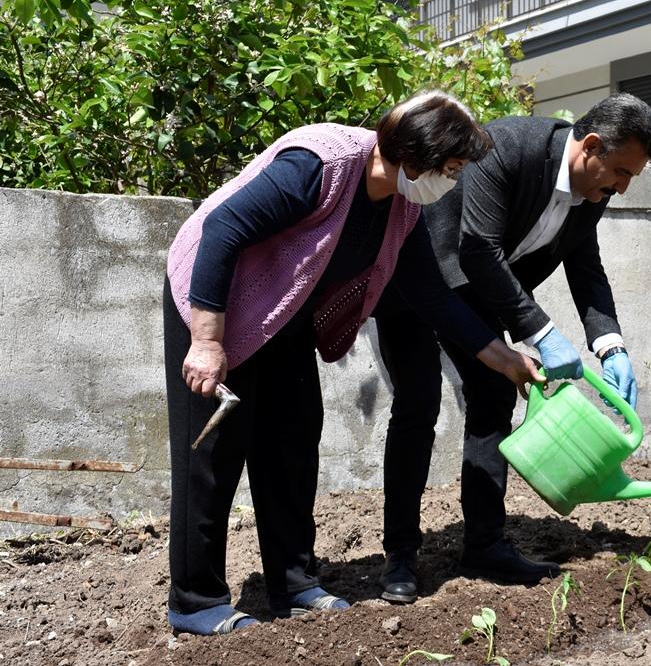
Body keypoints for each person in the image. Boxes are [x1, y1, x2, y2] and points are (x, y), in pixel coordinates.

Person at [162, 91, 544, 635]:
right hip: (211, 304)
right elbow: (223, 229)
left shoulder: (402, 208)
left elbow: (433, 297)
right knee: (213, 454)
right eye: (451, 169)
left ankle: (293, 585)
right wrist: (205, 341)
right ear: (416, 155)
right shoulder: (319, 165)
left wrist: (504, 359)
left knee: (294, 443)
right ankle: (196, 602)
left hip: (282, 317)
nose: (452, 183)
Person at [373, 93, 651, 603]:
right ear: (591, 145)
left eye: (630, 179)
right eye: (621, 172)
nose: (621, 187)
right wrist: (541, 332)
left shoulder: (589, 195)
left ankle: (485, 544)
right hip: (418, 283)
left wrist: (610, 344)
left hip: (476, 291)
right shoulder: (507, 146)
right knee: (418, 405)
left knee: (494, 392)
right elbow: (478, 248)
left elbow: (586, 267)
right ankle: (400, 553)